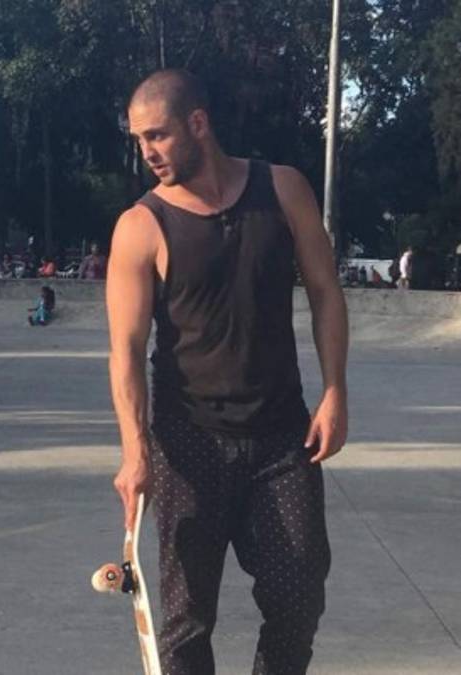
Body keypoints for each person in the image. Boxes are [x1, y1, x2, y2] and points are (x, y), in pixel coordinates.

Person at [106, 69, 348, 675]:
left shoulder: (282, 189)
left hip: (282, 439)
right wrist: (135, 452)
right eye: (139, 140)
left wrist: (335, 391)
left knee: (299, 596)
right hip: (188, 444)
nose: (147, 152)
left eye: (157, 135)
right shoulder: (140, 226)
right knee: (186, 622)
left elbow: (325, 291)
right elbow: (126, 351)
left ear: (198, 123)